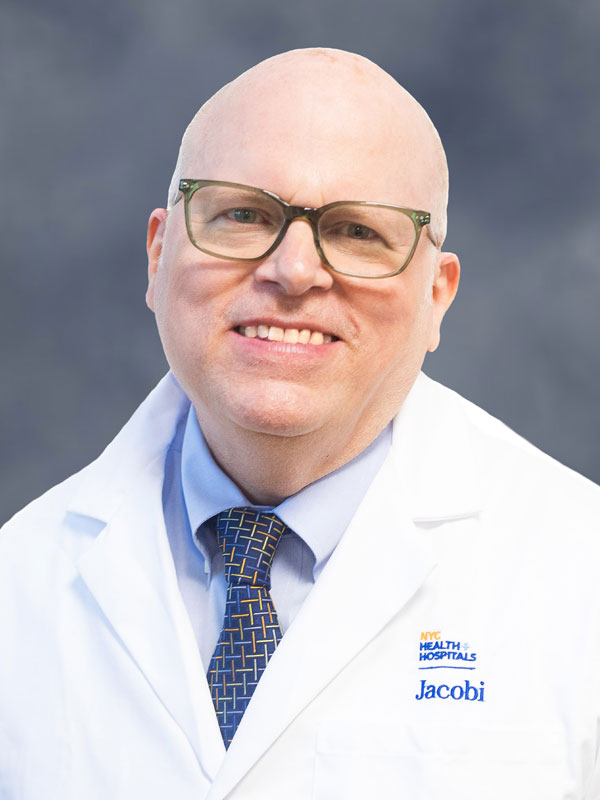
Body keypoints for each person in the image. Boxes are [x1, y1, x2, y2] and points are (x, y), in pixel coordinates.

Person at [1, 47, 599, 800]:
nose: (293, 271)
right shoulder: (19, 582)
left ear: (436, 298)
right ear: (157, 255)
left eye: (357, 232)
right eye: (244, 215)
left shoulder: (581, 574)